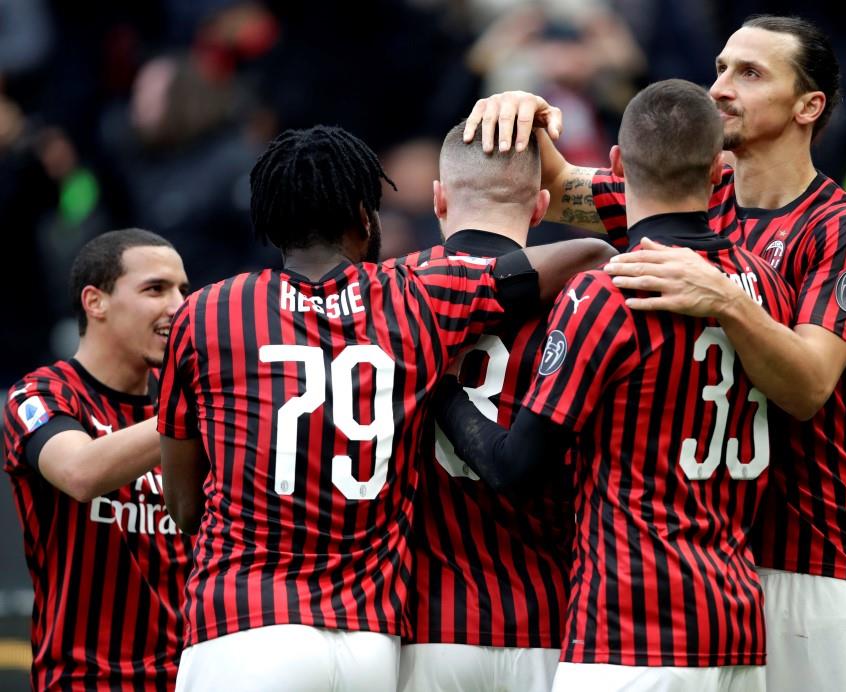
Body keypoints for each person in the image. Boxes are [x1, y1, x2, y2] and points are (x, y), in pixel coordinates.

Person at [465, 14, 846, 690]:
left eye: (750, 74)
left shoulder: (844, 230)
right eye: (721, 68)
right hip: (720, 576)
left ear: (808, 106)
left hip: (817, 567)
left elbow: (809, 386)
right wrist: (521, 111)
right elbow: (561, 184)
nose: (721, 87)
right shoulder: (696, 197)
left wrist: (726, 299)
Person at [157, 124, 614, 692]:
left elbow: (183, 506)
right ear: (364, 217)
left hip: (243, 619)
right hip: (370, 638)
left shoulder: (206, 312)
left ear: (269, 223)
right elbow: (589, 253)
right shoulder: (415, 293)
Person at [434, 79, 794, 692]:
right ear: (718, 172)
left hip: (630, 626)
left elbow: (515, 467)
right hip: (736, 623)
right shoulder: (764, 288)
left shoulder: (609, 292)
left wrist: (438, 387)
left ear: (618, 165)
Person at [393, 120, 575, 692]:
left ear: (439, 198)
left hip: (426, 625)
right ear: (540, 207)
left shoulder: (387, 294)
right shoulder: (582, 300)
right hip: (551, 623)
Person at [3, 229, 192, 690]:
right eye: (156, 289)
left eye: (183, 290)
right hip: (84, 680)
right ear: (95, 302)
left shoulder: (185, 404)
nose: (178, 306)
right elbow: (79, 472)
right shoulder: (42, 393)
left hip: (190, 676)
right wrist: (198, 408)